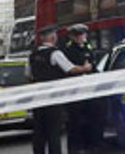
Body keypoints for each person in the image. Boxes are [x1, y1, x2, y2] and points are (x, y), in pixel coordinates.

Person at [28, 25, 91, 154]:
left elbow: (28, 75)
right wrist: (85, 68)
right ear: (52, 37)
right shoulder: (55, 53)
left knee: (39, 131)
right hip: (53, 99)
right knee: (53, 131)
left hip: (37, 99)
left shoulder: (32, 55)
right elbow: (70, 69)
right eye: (55, 35)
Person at [59, 24, 103, 154]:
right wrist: (84, 69)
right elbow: (68, 70)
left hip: (89, 90)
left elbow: (93, 66)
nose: (82, 37)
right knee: (75, 121)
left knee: (92, 118)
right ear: (72, 36)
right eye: (78, 35)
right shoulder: (67, 50)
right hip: (75, 92)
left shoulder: (88, 48)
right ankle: (75, 148)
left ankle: (92, 145)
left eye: (83, 34)